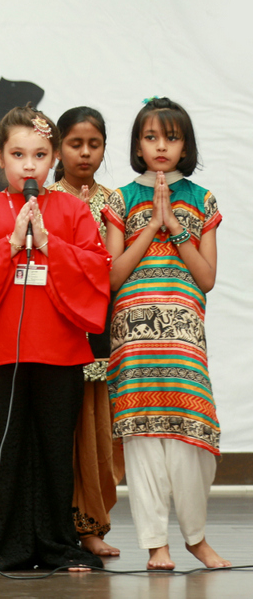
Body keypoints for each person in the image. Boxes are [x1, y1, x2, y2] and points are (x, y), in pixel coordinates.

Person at [0, 106, 110, 572]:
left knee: (56, 448)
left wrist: (48, 246)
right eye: (18, 154)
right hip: (1, 352)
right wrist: (7, 246)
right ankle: (8, 545)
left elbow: (97, 271)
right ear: (0, 157)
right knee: (7, 444)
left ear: (53, 157)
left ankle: (59, 544)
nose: (28, 165)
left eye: (40, 154)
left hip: (60, 350)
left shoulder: (74, 210)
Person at [103, 97, 228, 571]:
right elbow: (113, 276)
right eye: (151, 137)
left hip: (183, 339)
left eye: (171, 137)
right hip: (133, 338)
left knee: (194, 438)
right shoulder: (120, 198)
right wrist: (149, 224)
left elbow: (207, 277)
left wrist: (174, 227)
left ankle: (195, 537)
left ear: (185, 145)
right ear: (138, 143)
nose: (160, 146)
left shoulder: (203, 199)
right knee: (141, 439)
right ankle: (157, 544)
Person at [49, 106, 124, 557]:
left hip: (97, 329)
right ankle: (55, 525)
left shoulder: (113, 201)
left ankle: (90, 525)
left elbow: (112, 271)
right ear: (58, 147)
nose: (84, 153)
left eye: (93, 144)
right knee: (60, 431)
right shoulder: (46, 197)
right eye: (75, 144)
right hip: (54, 324)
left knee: (95, 432)